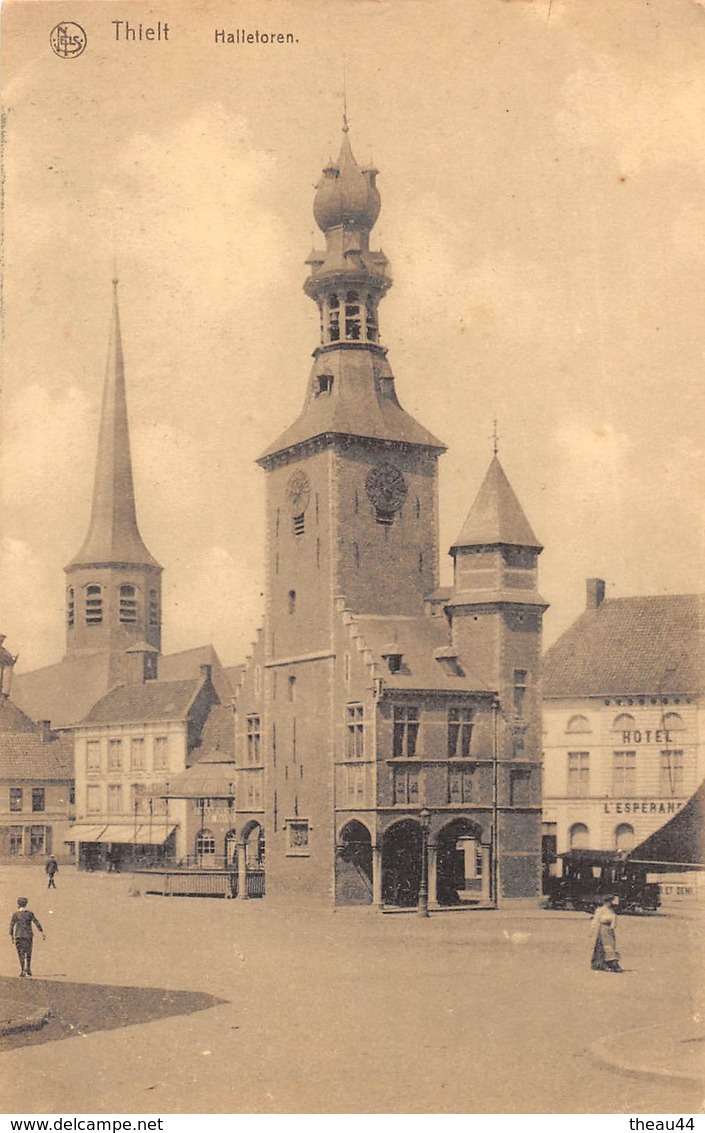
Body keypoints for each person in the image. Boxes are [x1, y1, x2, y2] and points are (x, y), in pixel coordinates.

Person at [9, 897, 45, 978]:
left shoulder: (15, 914)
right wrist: (41, 931)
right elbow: (36, 922)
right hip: (28, 935)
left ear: (18, 904)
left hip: (19, 935)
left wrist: (11, 935)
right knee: (28, 952)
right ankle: (28, 968)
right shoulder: (29, 913)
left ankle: (22, 970)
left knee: (20, 953)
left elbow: (11, 925)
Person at [590, 894, 622, 972]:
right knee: (604, 946)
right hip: (603, 929)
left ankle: (610, 963)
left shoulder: (611, 910)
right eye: (609, 901)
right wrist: (592, 931)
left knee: (611, 945)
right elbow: (596, 920)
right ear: (605, 902)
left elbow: (613, 922)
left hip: (609, 931)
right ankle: (602, 964)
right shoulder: (600, 910)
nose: (610, 903)